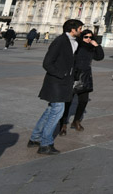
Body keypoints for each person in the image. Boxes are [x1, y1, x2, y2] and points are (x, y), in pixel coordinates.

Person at [28, 19, 84, 155]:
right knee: (58, 111)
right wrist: (63, 74)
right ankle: (45, 144)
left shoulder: (74, 42)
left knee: (50, 110)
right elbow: (47, 63)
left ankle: (35, 138)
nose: (81, 31)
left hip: (64, 82)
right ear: (73, 29)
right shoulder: (60, 41)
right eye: (80, 29)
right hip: (56, 82)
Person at [59, 30, 104, 135]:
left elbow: (100, 57)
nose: (88, 39)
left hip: (85, 77)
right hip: (74, 76)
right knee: (68, 101)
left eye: (90, 37)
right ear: (81, 37)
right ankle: (63, 124)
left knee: (84, 101)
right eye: (86, 37)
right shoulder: (76, 46)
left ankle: (76, 121)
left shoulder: (91, 48)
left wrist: (97, 45)